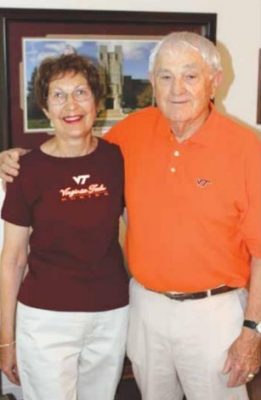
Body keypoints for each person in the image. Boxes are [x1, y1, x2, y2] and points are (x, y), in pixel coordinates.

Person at [1, 32, 261, 400]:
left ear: (214, 81)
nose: (177, 89)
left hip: (214, 313)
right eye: (165, 76)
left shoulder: (247, 149)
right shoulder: (132, 134)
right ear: (153, 82)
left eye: (190, 75)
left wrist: (254, 329)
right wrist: (14, 158)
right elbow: (76, 148)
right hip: (145, 308)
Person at [0, 53, 129, 400]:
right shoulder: (25, 171)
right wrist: (5, 340)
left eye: (81, 92)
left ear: (97, 102)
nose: (70, 104)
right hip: (45, 318)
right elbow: (11, 260)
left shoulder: (117, 159)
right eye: (58, 95)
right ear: (45, 108)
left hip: (111, 312)